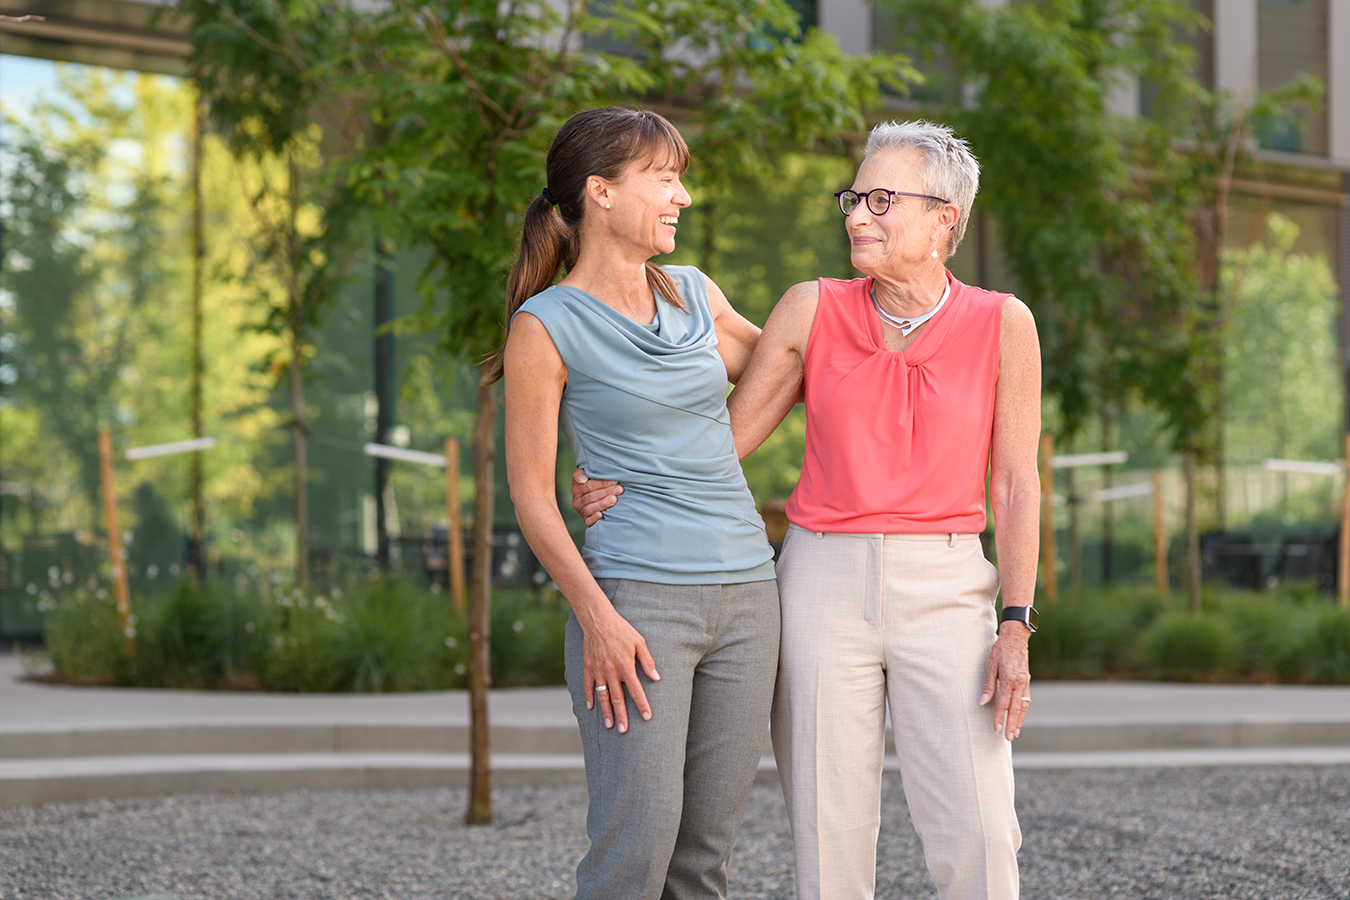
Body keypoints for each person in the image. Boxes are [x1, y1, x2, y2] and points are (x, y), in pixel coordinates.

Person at [574, 120, 1041, 900]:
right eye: (854, 198)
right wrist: (616, 477)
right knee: (829, 839)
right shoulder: (812, 309)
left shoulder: (1003, 322)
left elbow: (1018, 484)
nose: (858, 215)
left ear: (944, 221)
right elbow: (718, 444)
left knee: (983, 833)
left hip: (952, 586)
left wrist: (1017, 624)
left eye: (882, 200)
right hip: (820, 580)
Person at [496, 106, 780, 900]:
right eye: (665, 178)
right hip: (637, 605)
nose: (683, 196)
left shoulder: (695, 295)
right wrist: (596, 616)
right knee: (634, 854)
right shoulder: (545, 325)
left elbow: (789, 371)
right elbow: (531, 495)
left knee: (703, 861)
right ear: (603, 193)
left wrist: (681, 463)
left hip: (751, 601)